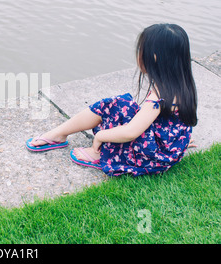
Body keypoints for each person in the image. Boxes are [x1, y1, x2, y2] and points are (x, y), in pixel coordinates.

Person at [26, 23, 198, 176]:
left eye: (141, 50)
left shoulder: (159, 95)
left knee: (117, 105)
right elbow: (178, 122)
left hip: (152, 158)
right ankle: (59, 134)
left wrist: (101, 136)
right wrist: (177, 142)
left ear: (154, 58)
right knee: (123, 106)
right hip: (169, 151)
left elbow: (131, 132)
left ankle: (97, 153)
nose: (138, 55)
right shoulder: (183, 84)